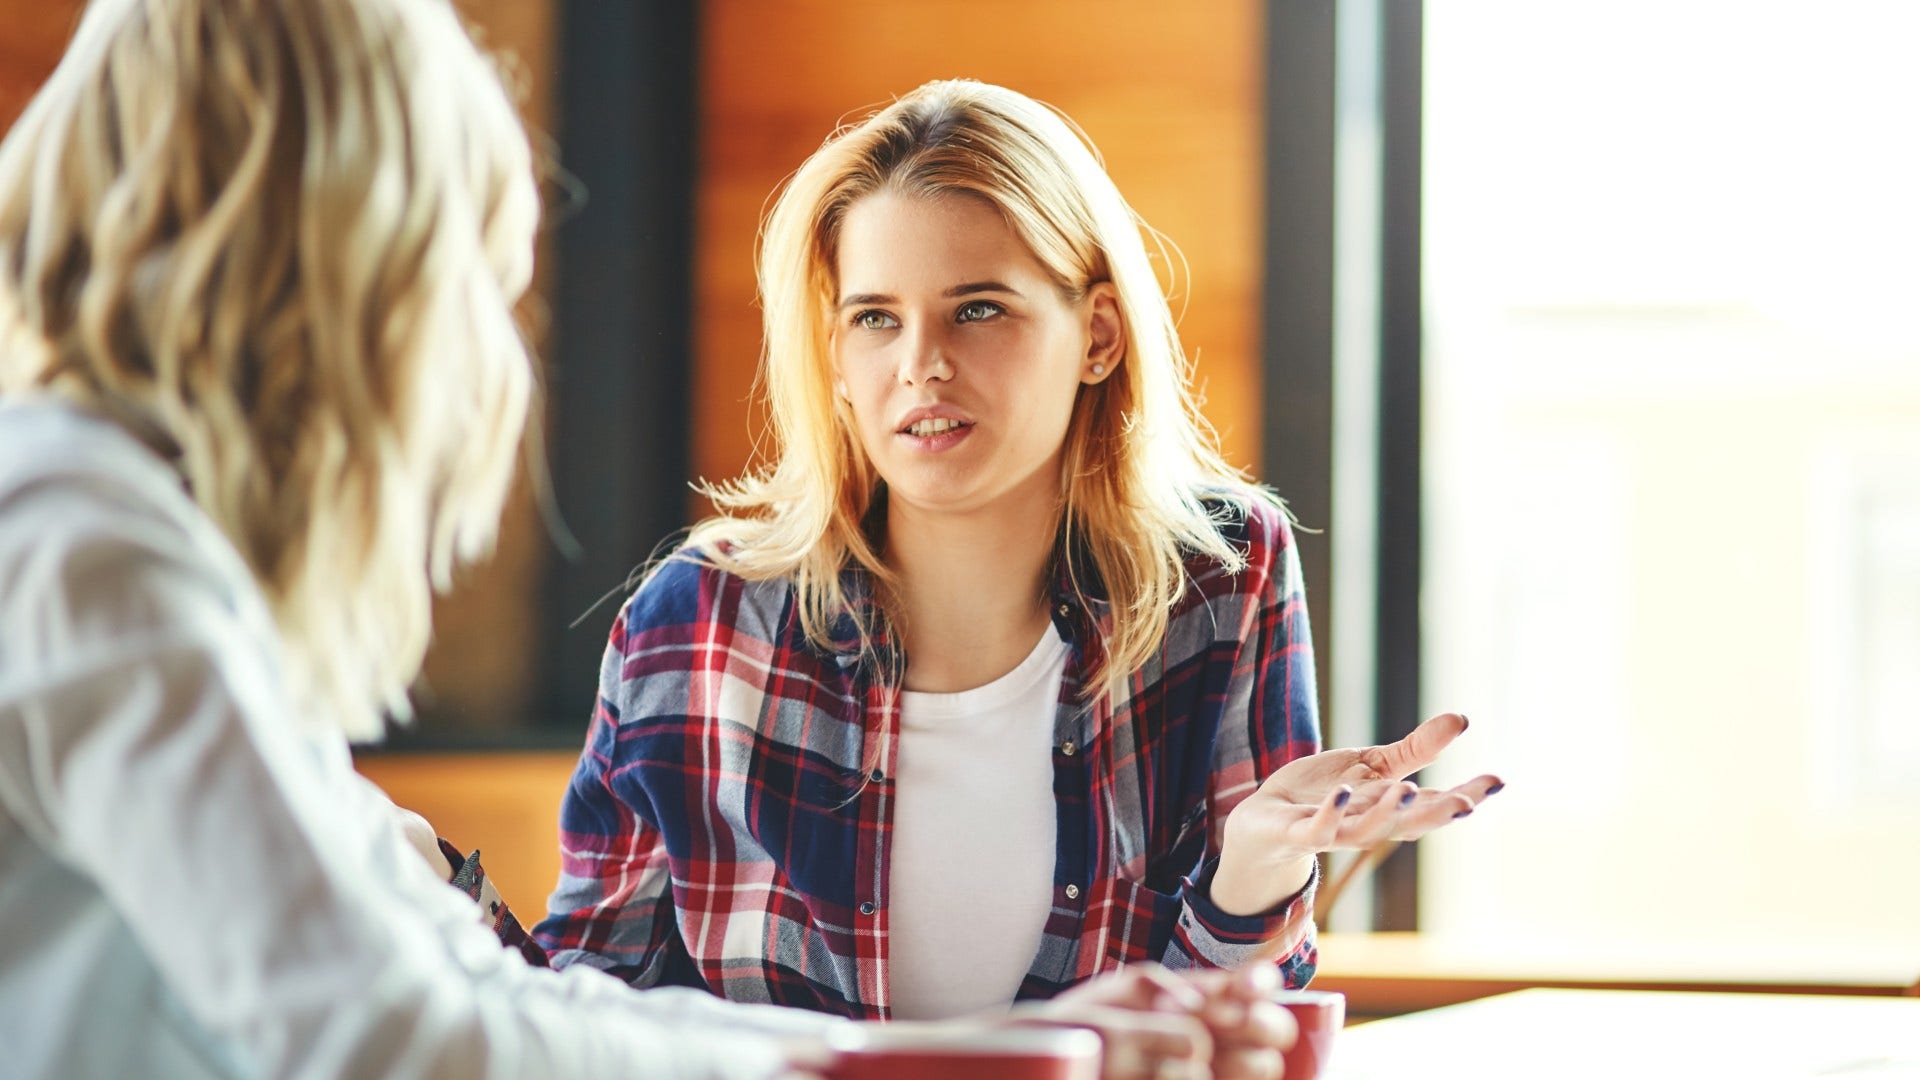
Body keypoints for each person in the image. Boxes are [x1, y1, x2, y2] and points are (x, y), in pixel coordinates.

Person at [0, 5, 1274, 1078]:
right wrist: (943, 1062)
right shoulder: (83, 549)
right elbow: (392, 1029)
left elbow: (474, 997)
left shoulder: (123, 547)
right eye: (460, 272)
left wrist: (960, 1058)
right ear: (323, 261)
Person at [535, 78, 1502, 1029]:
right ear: (834, 357)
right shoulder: (694, 623)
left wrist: (1253, 874)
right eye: (875, 317)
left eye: (978, 308)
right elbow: (579, 1009)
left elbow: (1229, 1039)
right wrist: (429, 898)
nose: (921, 363)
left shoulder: (1221, 574)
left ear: (1098, 335)